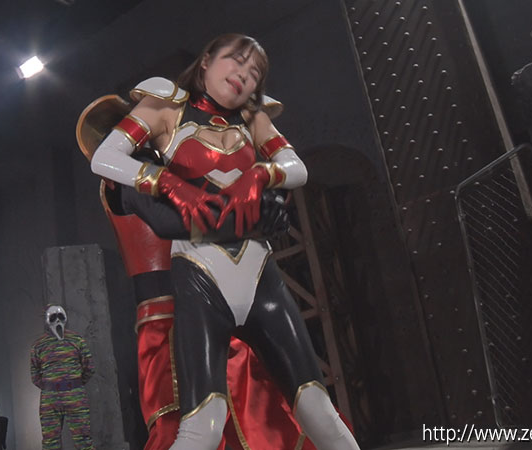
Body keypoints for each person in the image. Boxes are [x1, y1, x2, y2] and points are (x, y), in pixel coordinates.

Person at [90, 33, 360, 449]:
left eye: (255, 72)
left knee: (314, 409)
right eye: (236, 60)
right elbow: (112, 165)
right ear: (206, 61)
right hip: (189, 286)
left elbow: (295, 168)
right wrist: (168, 183)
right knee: (200, 425)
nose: (244, 75)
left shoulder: (252, 117)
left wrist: (262, 176)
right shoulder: (158, 120)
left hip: (255, 273)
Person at [30, 305, 95, 450]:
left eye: (60, 317)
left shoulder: (77, 340)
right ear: (47, 320)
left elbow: (89, 367)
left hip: (73, 395)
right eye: (53, 317)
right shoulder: (38, 346)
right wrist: (52, 387)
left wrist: (75, 385)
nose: (57, 321)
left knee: (84, 442)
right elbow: (35, 375)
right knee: (50, 443)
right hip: (51, 398)